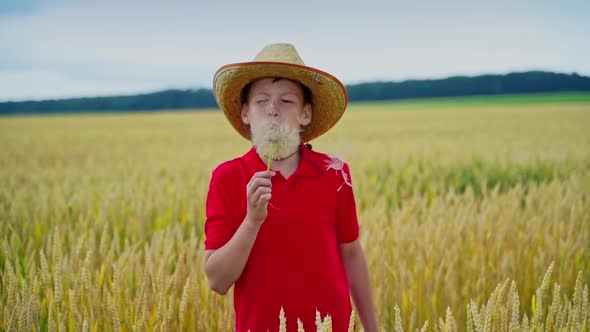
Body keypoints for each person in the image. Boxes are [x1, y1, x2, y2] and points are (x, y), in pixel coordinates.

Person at [204, 43, 378, 332]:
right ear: (245, 113)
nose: (273, 110)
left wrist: (372, 328)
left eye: (286, 101)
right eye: (261, 101)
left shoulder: (334, 173)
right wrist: (252, 221)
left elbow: (351, 253)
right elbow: (217, 281)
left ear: (305, 114)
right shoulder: (226, 178)